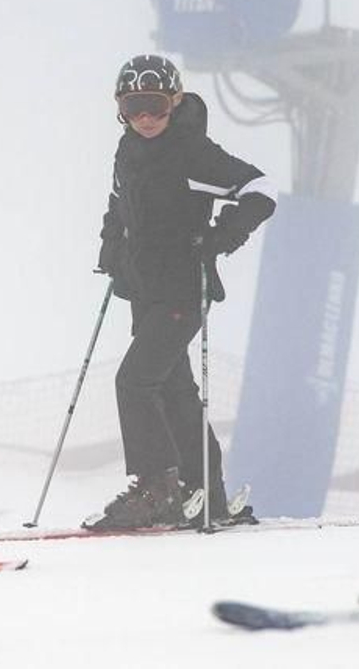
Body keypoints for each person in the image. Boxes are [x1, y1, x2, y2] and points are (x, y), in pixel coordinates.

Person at [90, 53, 277, 530]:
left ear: (173, 100)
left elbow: (260, 190)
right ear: (121, 109)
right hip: (145, 290)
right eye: (134, 106)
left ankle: (156, 487)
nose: (146, 117)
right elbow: (119, 202)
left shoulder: (190, 152)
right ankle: (205, 493)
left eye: (154, 104)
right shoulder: (128, 150)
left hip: (181, 291)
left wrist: (220, 238)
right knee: (175, 392)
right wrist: (112, 248)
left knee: (134, 381)